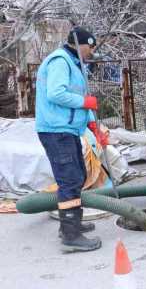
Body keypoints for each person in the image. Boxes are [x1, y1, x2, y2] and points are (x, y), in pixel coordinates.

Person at [35, 27, 106, 253]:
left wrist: (92, 124)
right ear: (80, 43)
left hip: (68, 130)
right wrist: (85, 103)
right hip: (56, 130)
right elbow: (56, 94)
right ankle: (70, 234)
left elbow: (79, 100)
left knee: (78, 176)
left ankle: (72, 223)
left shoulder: (76, 65)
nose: (91, 52)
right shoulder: (60, 61)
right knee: (70, 179)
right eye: (90, 47)